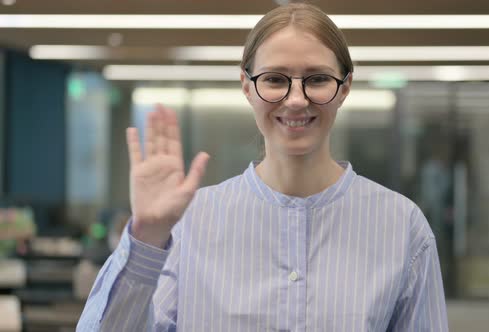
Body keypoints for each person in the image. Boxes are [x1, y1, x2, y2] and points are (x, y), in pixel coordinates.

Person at [77, 3, 448, 331]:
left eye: (317, 79)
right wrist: (147, 238)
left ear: (345, 87)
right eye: (274, 80)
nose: (297, 100)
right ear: (246, 86)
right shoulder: (189, 225)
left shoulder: (402, 228)